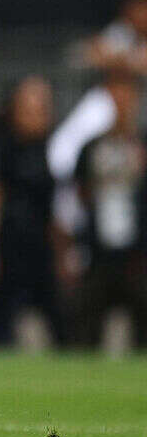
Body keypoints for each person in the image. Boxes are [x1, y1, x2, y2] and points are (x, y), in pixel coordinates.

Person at [0, 75, 64, 346]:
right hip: (8, 246)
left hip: (41, 246)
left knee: (59, 321)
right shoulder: (2, 147)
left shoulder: (54, 148)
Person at [69, 72, 147, 348]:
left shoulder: (141, 143)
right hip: (99, 255)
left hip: (139, 256)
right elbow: (77, 196)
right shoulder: (91, 147)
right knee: (86, 331)